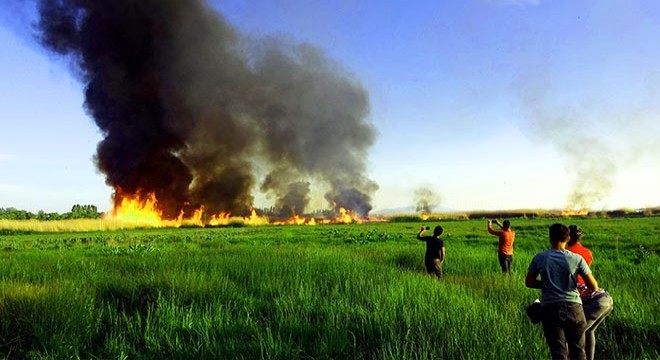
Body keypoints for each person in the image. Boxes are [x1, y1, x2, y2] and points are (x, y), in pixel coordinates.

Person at [526, 223, 599, 360]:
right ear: (567, 239)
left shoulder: (540, 257)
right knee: (579, 352)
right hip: (575, 309)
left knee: (559, 353)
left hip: (551, 309)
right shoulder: (577, 259)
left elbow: (529, 282)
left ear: (550, 238)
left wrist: (548, 284)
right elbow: (593, 286)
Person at [567, 225, 613, 360]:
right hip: (602, 296)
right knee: (589, 331)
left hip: (587, 295)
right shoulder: (587, 252)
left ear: (567, 237)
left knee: (575, 333)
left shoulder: (566, 253)